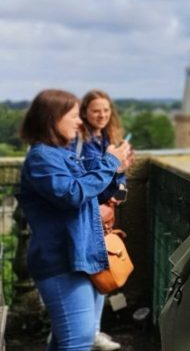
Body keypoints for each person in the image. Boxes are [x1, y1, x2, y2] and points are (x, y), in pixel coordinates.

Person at [18, 89, 131, 351]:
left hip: (78, 258)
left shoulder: (56, 154)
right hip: (61, 261)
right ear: (52, 119)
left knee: (67, 339)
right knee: (77, 340)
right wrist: (108, 163)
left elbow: (89, 192)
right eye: (73, 115)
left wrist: (116, 170)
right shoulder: (41, 158)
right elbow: (72, 194)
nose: (80, 121)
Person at [79, 90, 131, 351]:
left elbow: (120, 182)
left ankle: (92, 332)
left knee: (102, 272)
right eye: (96, 110)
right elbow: (90, 181)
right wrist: (115, 170)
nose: (102, 115)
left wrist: (111, 200)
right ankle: (83, 333)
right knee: (89, 274)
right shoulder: (81, 143)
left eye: (106, 111)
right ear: (84, 113)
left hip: (104, 215)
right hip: (87, 216)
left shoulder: (108, 139)